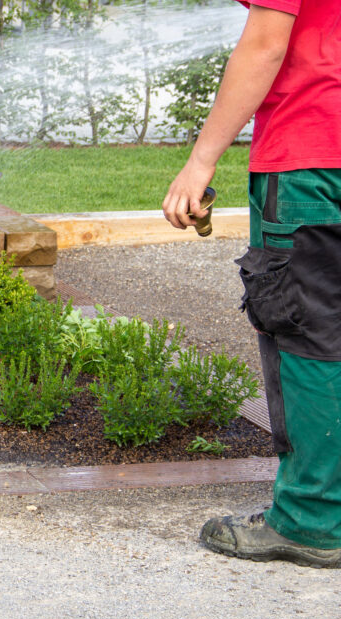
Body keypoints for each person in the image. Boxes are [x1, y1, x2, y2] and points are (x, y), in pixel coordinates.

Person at [163, 0, 341, 567]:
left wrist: (200, 161)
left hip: (313, 158)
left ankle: (310, 520)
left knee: (308, 335)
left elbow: (266, 43)